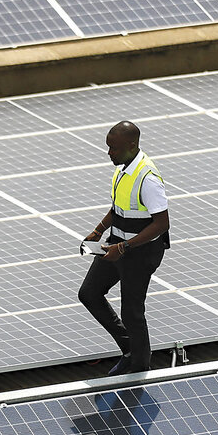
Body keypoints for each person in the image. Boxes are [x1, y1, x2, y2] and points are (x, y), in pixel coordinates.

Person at [78, 120, 170, 375]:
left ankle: (140, 366)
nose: (109, 153)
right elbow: (119, 207)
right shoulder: (122, 168)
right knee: (89, 293)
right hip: (116, 244)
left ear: (132, 145)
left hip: (140, 252)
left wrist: (125, 247)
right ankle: (130, 348)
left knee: (131, 311)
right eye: (108, 148)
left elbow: (162, 223)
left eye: (114, 148)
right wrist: (98, 230)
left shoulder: (148, 178)